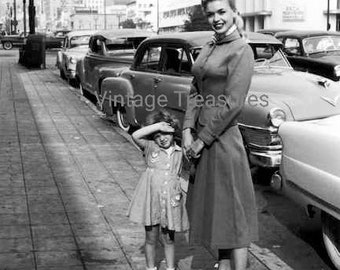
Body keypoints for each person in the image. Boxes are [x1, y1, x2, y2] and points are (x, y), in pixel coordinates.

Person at [182, 0, 258, 270]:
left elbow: (233, 104)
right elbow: (195, 89)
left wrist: (203, 139)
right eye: (211, 13)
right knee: (218, 212)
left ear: (234, 13)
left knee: (233, 217)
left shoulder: (241, 50)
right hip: (202, 139)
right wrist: (187, 129)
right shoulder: (209, 46)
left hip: (223, 140)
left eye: (222, 12)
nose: (216, 18)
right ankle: (223, 265)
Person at [127, 110, 189, 270]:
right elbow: (136, 135)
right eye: (157, 135)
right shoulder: (150, 147)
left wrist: (172, 127)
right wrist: (157, 126)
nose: (162, 138)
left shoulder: (179, 151)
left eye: (166, 133)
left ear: (173, 132)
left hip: (171, 201)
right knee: (150, 238)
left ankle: (170, 267)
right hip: (151, 200)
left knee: (169, 239)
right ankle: (150, 267)